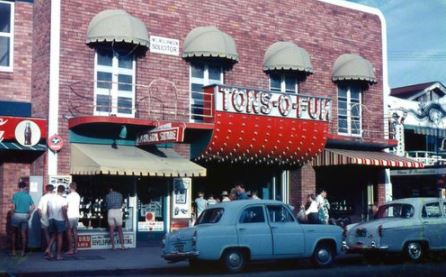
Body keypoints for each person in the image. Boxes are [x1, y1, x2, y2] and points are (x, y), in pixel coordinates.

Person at [11, 181, 35, 256]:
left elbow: (13, 207)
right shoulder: (28, 196)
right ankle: (23, 252)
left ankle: (14, 251)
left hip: (16, 215)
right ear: (25, 187)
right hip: (25, 216)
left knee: (14, 234)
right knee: (23, 234)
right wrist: (30, 213)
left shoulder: (15, 195)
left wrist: (12, 214)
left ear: (18, 187)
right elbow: (33, 206)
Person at [46, 185, 68, 260]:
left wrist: (49, 218)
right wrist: (66, 219)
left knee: (53, 235)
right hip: (59, 219)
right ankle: (58, 255)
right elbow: (64, 210)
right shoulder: (63, 199)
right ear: (63, 191)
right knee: (60, 237)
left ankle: (48, 248)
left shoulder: (51, 199)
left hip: (51, 219)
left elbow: (48, 210)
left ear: (57, 190)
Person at [105, 186, 125, 250]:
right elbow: (121, 204)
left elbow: (107, 205)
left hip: (110, 212)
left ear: (111, 189)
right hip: (118, 211)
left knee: (111, 229)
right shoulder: (120, 195)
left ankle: (113, 246)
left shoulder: (107, 195)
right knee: (120, 229)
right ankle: (122, 246)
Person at [37, 184, 54, 251]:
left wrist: (41, 217)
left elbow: (39, 209)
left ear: (46, 189)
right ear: (52, 190)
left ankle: (49, 249)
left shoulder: (43, 197)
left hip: (45, 218)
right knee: (54, 234)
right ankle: (52, 248)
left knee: (47, 234)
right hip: (54, 218)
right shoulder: (55, 197)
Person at [66, 182, 80, 255]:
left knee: (69, 232)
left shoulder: (69, 196)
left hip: (70, 215)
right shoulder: (78, 195)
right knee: (75, 232)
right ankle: (76, 249)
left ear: (70, 188)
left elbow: (66, 206)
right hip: (76, 215)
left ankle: (71, 249)